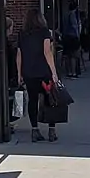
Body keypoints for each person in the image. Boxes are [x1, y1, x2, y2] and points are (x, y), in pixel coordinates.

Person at [16, 9, 60, 142]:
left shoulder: (22, 34)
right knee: (50, 100)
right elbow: (47, 52)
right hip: (44, 72)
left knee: (33, 100)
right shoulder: (45, 32)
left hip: (29, 72)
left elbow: (19, 55)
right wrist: (54, 72)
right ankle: (51, 131)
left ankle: (35, 130)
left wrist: (19, 73)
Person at [61, 0, 82, 79]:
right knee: (73, 55)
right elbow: (74, 26)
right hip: (73, 36)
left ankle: (68, 72)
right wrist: (78, 35)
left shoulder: (65, 15)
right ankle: (73, 73)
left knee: (67, 55)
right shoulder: (73, 15)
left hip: (65, 36)